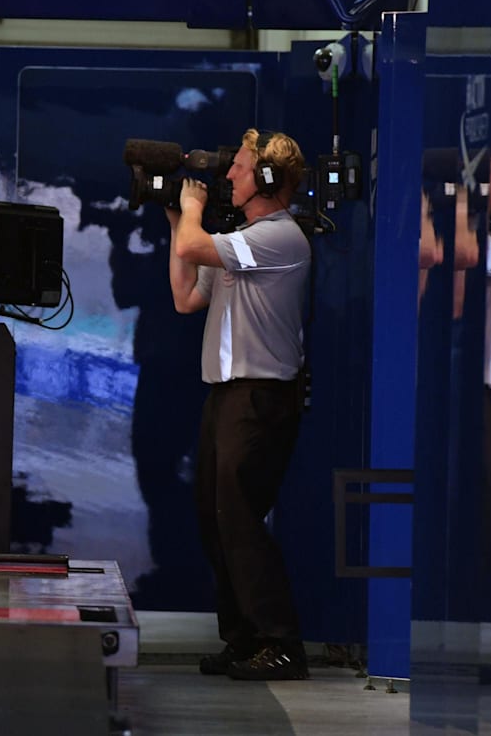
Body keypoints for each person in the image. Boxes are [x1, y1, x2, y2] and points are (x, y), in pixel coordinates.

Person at [166, 128, 312, 681]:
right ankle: (244, 636)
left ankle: (281, 643)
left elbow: (190, 246)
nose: (229, 176)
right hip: (226, 398)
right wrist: (177, 217)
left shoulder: (281, 238)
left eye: (242, 168)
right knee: (215, 517)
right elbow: (185, 297)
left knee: (241, 518)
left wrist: (190, 211)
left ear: (268, 180)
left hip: (260, 399)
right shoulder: (237, 240)